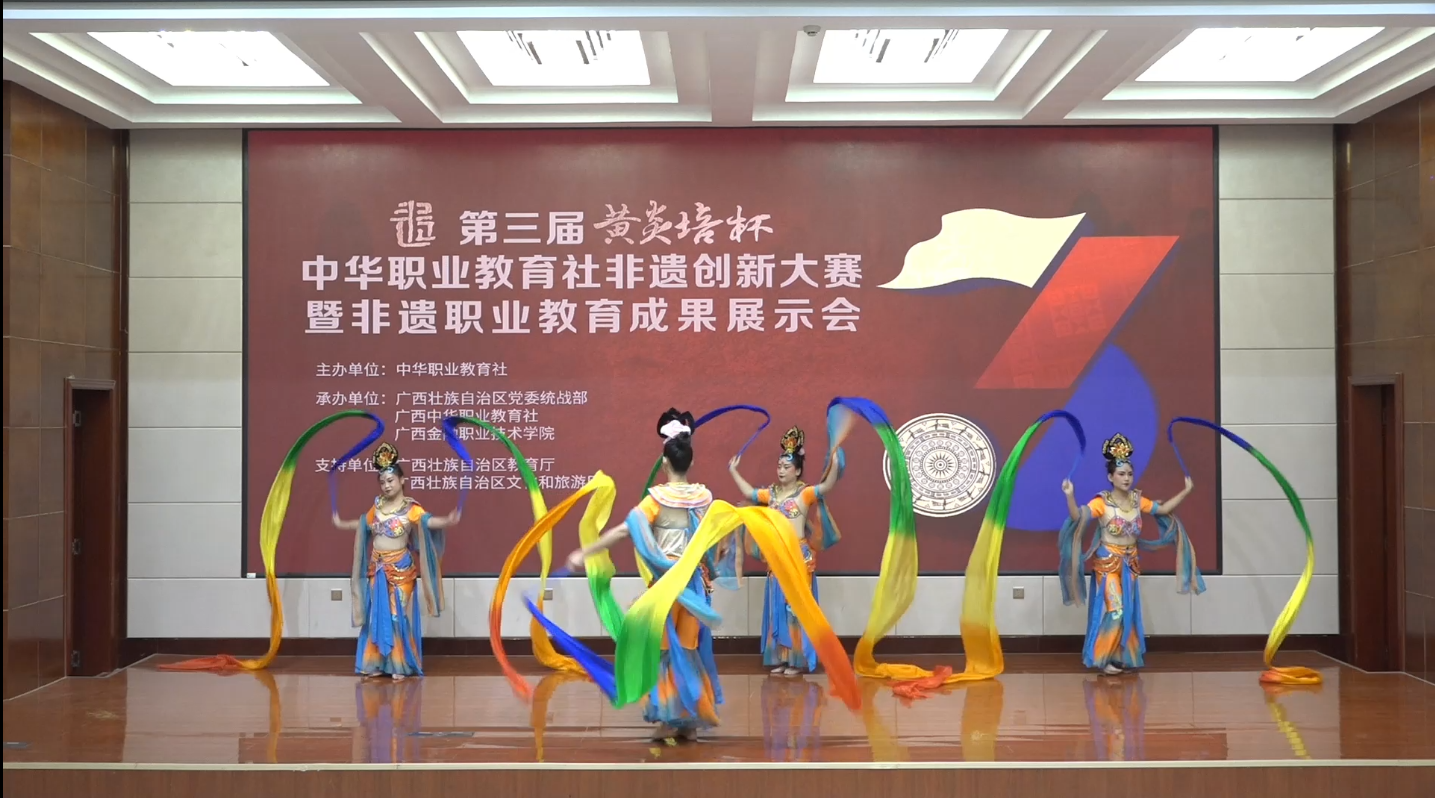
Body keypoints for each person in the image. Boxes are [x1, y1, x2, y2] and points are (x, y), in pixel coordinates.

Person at [565, 409, 730, 741]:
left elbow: (623, 531)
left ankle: (671, 718)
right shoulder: (705, 498)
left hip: (666, 589)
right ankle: (689, 721)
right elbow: (720, 542)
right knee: (688, 650)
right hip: (695, 587)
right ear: (691, 461)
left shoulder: (656, 501)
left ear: (665, 462)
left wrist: (586, 552)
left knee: (665, 650)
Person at [1060, 432, 1200, 676]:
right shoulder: (1101, 502)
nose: (1126, 478)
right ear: (1110, 477)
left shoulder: (1137, 500)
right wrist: (1070, 496)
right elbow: (1077, 517)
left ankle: (1119, 657)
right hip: (1107, 563)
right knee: (1116, 610)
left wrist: (1186, 491)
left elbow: (1162, 510)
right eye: (1121, 474)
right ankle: (1103, 658)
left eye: (1129, 474)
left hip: (1131, 563)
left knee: (1128, 611)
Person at [333, 442, 460, 679]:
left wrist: (447, 520)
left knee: (395, 614)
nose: (386, 485)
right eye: (382, 482)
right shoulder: (377, 507)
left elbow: (428, 522)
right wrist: (341, 524)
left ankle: (399, 664)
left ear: (402, 480)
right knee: (377, 615)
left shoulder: (411, 509)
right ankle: (376, 664)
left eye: (390, 480)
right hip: (377, 569)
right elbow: (363, 525)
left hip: (401, 570)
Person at [728, 426, 841, 675]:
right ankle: (781, 657)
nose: (781, 470)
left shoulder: (805, 493)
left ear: (797, 470)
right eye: (779, 466)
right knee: (777, 607)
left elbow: (827, 486)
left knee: (795, 609)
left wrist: (834, 463)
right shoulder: (771, 495)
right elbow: (748, 493)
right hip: (776, 558)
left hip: (799, 558)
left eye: (786, 467)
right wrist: (734, 471)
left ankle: (798, 660)